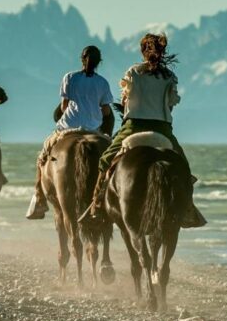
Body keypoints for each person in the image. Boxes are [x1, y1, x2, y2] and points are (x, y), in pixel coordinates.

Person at [80, 33, 203, 228]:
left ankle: (95, 207)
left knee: (105, 161)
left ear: (143, 51)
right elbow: (170, 106)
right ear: (162, 52)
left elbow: (125, 101)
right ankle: (188, 208)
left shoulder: (133, 72)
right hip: (162, 128)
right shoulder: (170, 77)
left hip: (133, 126)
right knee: (183, 167)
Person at [25, 45, 114, 219]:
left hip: (68, 127)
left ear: (82, 59)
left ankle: (39, 198)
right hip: (93, 129)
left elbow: (64, 106)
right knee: (112, 159)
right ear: (99, 63)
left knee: (42, 156)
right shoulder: (102, 82)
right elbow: (106, 111)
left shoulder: (70, 77)